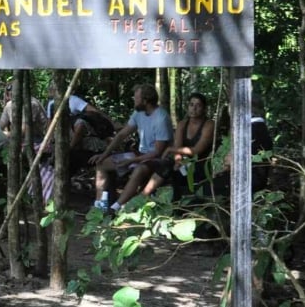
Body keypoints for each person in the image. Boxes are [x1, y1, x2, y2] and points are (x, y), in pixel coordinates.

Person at [89, 83, 174, 212]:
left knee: (138, 169)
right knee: (102, 164)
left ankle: (116, 207)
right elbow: (122, 134)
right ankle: (100, 205)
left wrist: (131, 161)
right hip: (139, 154)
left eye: (136, 97)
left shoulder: (161, 118)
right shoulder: (138, 113)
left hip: (157, 159)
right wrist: (104, 155)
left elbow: (157, 152)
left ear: (145, 101)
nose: (134, 99)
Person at [147, 92, 218, 198]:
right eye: (191, 104)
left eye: (198, 105)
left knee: (179, 172)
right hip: (184, 160)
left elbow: (197, 150)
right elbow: (178, 147)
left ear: (204, 108)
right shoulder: (182, 124)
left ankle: (178, 202)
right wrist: (178, 159)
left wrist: (171, 149)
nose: (194, 108)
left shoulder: (209, 124)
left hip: (201, 161)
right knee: (166, 165)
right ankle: (145, 195)